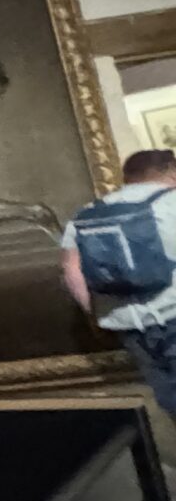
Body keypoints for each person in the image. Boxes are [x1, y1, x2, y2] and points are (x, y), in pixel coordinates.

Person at [62, 149, 176, 411]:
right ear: (171, 170)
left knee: (169, 398)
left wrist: (92, 314)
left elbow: (71, 270)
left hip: (128, 325)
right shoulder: (171, 202)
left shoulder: (86, 214)